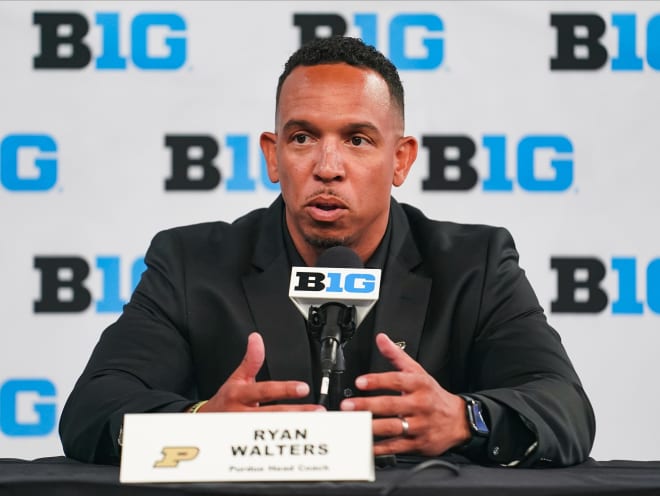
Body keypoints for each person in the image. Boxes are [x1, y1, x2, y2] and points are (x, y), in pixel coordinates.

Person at [59, 36, 595, 467]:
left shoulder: (474, 264)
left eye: (358, 140)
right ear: (273, 156)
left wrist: (464, 418)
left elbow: (564, 406)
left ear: (401, 159)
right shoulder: (190, 263)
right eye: (302, 138)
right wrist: (200, 421)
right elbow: (93, 409)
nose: (328, 166)